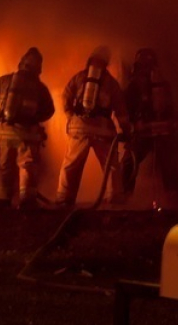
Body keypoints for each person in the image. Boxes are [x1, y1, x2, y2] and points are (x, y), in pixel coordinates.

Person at [54, 46, 131, 207]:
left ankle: (64, 199)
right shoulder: (111, 83)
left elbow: (66, 96)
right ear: (106, 63)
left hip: (79, 127)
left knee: (71, 164)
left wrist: (70, 116)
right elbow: (121, 109)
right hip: (103, 130)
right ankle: (115, 198)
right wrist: (126, 130)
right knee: (111, 166)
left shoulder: (79, 77)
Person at [0, 47, 55, 210]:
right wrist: (34, 118)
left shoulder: (4, 80)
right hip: (28, 133)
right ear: (39, 68)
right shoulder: (40, 88)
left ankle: (5, 199)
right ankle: (27, 200)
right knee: (28, 165)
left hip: (6, 131)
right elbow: (49, 111)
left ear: (21, 63)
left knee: (5, 165)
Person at [120, 48, 178, 199]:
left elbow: (126, 108)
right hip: (163, 131)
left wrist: (131, 128)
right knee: (169, 166)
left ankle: (124, 196)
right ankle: (175, 198)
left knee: (129, 164)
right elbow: (171, 107)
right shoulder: (163, 83)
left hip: (143, 131)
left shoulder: (133, 84)